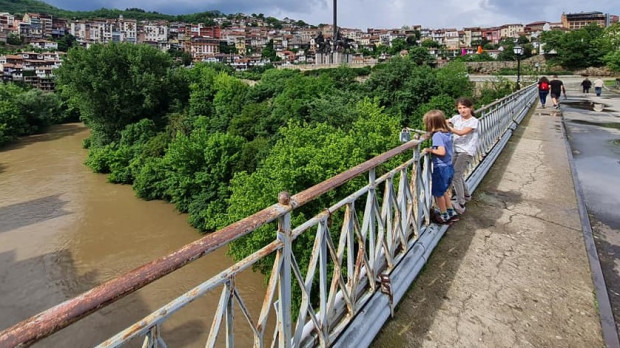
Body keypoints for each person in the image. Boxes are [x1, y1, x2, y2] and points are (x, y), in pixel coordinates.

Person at [421, 110, 458, 224]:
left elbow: (441, 151)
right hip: (448, 166)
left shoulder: (437, 135)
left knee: (438, 193)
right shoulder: (447, 133)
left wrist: (429, 149)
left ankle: (444, 215)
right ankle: (451, 213)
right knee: (444, 191)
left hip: (441, 168)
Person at [447, 98, 479, 214]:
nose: (462, 110)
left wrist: (449, 128)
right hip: (457, 150)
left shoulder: (473, 121)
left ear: (471, 108)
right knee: (455, 173)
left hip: (466, 151)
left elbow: (461, 132)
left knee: (456, 175)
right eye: (459, 108)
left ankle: (461, 203)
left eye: (464, 107)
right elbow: (446, 121)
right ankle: (466, 195)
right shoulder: (456, 118)